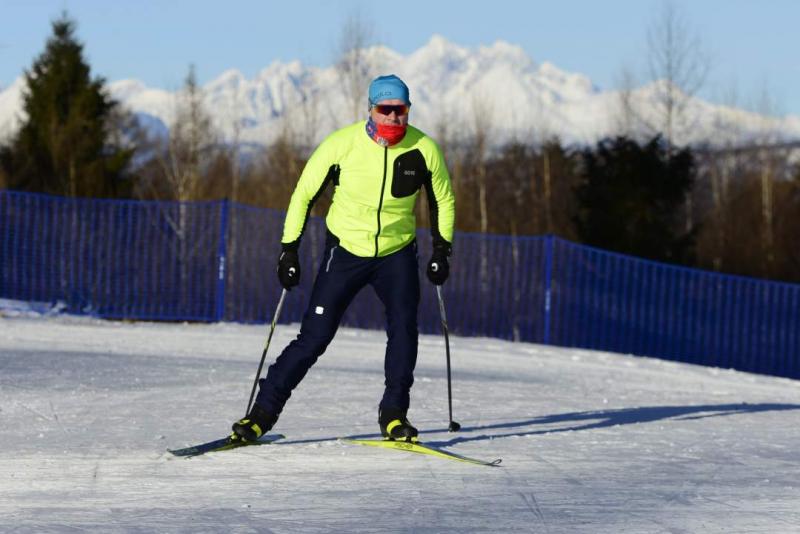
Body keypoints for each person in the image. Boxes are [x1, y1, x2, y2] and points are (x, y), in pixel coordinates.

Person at [232, 74, 455, 442]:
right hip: (346, 251)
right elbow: (303, 194)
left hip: (396, 254)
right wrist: (289, 250)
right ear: (371, 109)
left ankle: (394, 414)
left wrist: (442, 250)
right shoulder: (341, 145)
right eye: (386, 110)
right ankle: (261, 415)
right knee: (314, 337)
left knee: (404, 330)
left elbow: (443, 200)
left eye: (402, 110)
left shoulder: (424, 149)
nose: (395, 118)